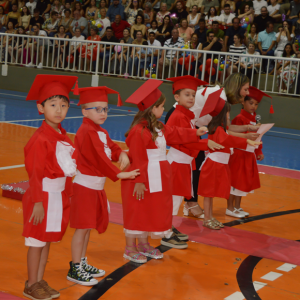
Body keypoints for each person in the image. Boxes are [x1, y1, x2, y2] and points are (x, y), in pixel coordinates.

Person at [123, 79, 208, 260]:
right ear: (152, 108)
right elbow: (138, 158)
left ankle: (144, 244)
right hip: (142, 177)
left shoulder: (158, 127)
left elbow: (176, 132)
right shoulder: (139, 131)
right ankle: (130, 247)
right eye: (161, 106)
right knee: (138, 211)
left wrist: (195, 133)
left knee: (149, 210)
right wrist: (139, 181)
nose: (164, 110)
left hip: (157, 176)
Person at [67, 86, 138, 284]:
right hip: (84, 188)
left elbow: (112, 149)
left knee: (88, 227)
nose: (103, 113)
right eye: (97, 109)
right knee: (81, 229)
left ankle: (81, 262)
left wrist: (122, 153)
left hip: (96, 187)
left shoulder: (100, 131)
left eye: (105, 109)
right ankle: (74, 269)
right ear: (84, 111)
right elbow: (99, 159)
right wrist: (120, 173)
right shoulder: (86, 132)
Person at [22, 74, 78, 300]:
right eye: (53, 104)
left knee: (47, 241)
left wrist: (68, 196)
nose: (59, 110)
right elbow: (34, 174)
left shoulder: (62, 136)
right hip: (42, 197)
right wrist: (37, 202)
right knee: (36, 242)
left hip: (57, 195)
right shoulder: (40, 139)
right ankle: (31, 284)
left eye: (63, 105)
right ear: (40, 107)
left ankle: (39, 280)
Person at [166, 76, 224, 242]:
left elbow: (190, 143)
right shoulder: (177, 115)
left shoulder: (187, 116)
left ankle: (168, 227)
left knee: (176, 198)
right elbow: (172, 138)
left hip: (183, 162)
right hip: (177, 162)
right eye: (187, 94)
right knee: (173, 198)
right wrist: (204, 143)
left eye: (193, 95)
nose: (191, 97)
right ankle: (165, 230)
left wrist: (206, 144)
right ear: (177, 97)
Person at [197, 89, 261, 229]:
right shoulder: (217, 129)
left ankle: (210, 217)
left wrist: (246, 139)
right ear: (221, 114)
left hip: (219, 164)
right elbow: (227, 140)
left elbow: (229, 137)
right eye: (227, 113)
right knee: (208, 194)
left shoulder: (221, 128)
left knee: (211, 194)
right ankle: (207, 219)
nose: (229, 116)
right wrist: (246, 142)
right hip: (213, 164)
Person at [227, 86, 269, 218]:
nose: (254, 106)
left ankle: (237, 207)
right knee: (235, 182)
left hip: (248, 155)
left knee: (243, 183)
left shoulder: (255, 119)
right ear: (243, 102)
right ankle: (230, 207)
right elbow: (233, 136)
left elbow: (258, 136)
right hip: (239, 155)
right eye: (251, 103)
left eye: (256, 104)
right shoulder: (239, 119)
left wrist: (258, 152)